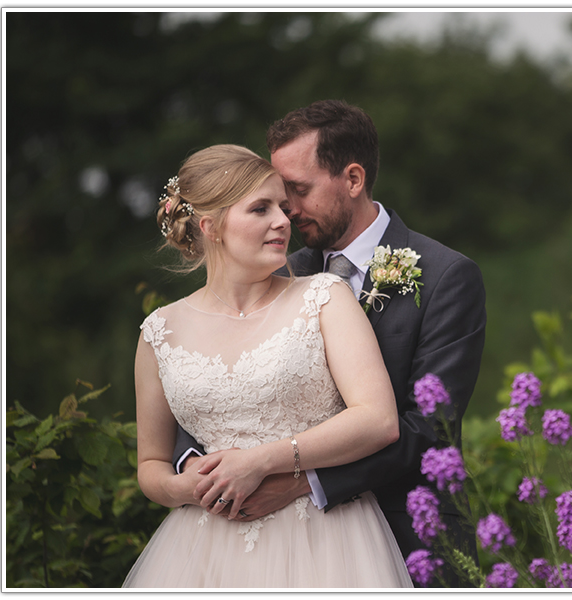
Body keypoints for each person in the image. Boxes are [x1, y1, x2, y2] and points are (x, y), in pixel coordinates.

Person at [172, 100, 486, 586]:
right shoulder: (278, 270)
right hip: (263, 545)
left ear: (353, 179)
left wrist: (300, 484)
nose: (286, 212)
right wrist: (205, 471)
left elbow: (427, 429)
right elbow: (214, 378)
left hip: (410, 539)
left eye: (297, 191)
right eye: (275, 198)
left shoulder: (446, 277)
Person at [123, 144, 413, 588]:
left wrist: (259, 462)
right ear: (210, 226)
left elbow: (378, 420)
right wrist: (184, 490)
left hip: (329, 542)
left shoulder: (324, 297)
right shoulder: (160, 331)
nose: (283, 220)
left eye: (282, 206)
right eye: (260, 209)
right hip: (204, 551)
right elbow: (152, 464)